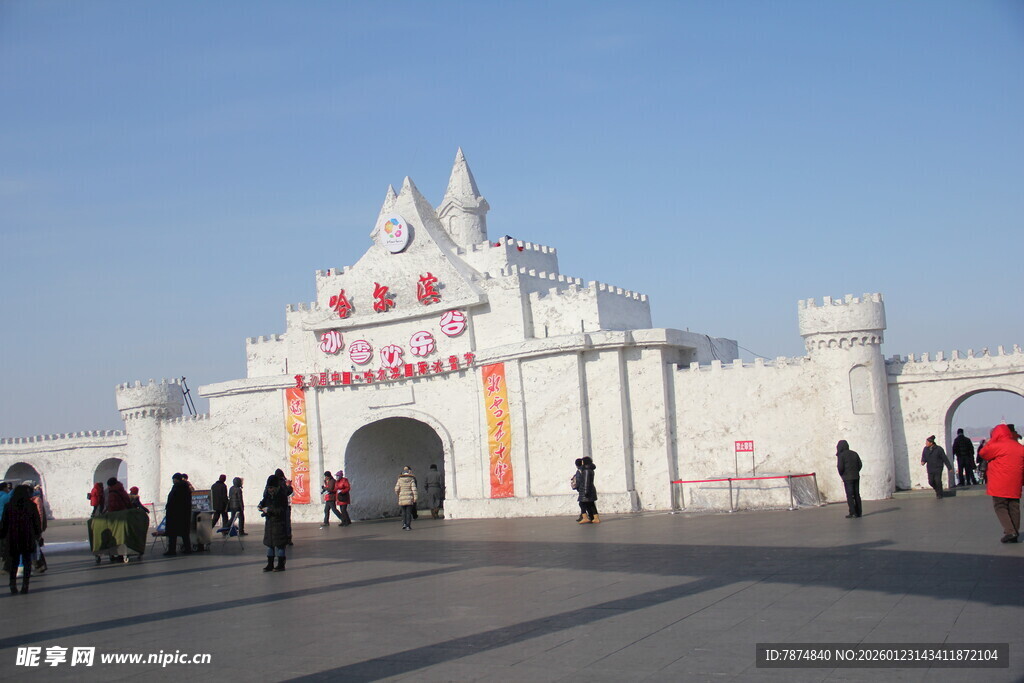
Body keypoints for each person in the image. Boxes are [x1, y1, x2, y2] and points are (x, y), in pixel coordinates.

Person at [979, 424, 1024, 543]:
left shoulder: (996, 446)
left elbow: (983, 453)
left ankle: (1010, 531)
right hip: (1015, 482)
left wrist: (990, 441)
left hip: (999, 482)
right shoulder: (1019, 446)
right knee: (1014, 506)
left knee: (1000, 506)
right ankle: (1014, 531)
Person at [0, 484, 41, 594]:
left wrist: (3, 535)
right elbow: (36, 522)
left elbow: (4, 523)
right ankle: (25, 585)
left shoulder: (9, 506)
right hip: (27, 536)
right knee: (27, 561)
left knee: (14, 562)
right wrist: (38, 535)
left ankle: (12, 584)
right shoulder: (31, 506)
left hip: (13, 537)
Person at [258, 474, 289, 571]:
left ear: (276, 487)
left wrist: (270, 510)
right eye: (268, 488)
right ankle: (270, 564)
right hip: (270, 524)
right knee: (270, 545)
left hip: (279, 524)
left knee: (280, 546)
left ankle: (281, 564)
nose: (269, 490)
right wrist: (261, 506)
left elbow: (281, 510)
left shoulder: (282, 496)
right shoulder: (267, 496)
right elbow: (263, 502)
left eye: (271, 488)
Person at [163, 473, 193, 556]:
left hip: (175, 514)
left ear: (177, 479)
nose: (173, 480)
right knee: (184, 533)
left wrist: (170, 509)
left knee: (172, 534)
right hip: (184, 514)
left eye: (174, 479)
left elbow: (173, 500)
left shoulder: (177, 487)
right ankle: (188, 548)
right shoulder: (186, 488)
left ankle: (172, 550)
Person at [836, 440, 863, 518]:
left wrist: (842, 474)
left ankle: (853, 512)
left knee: (850, 495)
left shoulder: (841, 455)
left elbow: (840, 467)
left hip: (847, 478)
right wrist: (856, 471)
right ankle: (859, 512)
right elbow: (860, 464)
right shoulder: (854, 453)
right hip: (856, 476)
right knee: (857, 494)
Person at [273, 469, 294, 545]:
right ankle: (288, 539)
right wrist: (289, 486)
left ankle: (277, 538)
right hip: (284, 506)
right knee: (286, 523)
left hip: (275, 506)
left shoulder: (272, 483)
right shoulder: (282, 483)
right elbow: (287, 492)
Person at [577, 456, 600, 524]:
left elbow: (586, 481)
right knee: (591, 504)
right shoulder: (590, 470)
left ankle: (585, 518)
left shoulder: (586, 470)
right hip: (591, 489)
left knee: (581, 503)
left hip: (585, 489)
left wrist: (586, 491)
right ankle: (596, 518)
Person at [395, 466, 418, 530]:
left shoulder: (399, 480)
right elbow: (414, 489)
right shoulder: (411, 480)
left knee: (403, 512)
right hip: (409, 497)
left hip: (402, 497)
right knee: (408, 512)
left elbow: (396, 489)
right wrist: (415, 498)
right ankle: (408, 525)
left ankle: (404, 524)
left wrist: (398, 494)